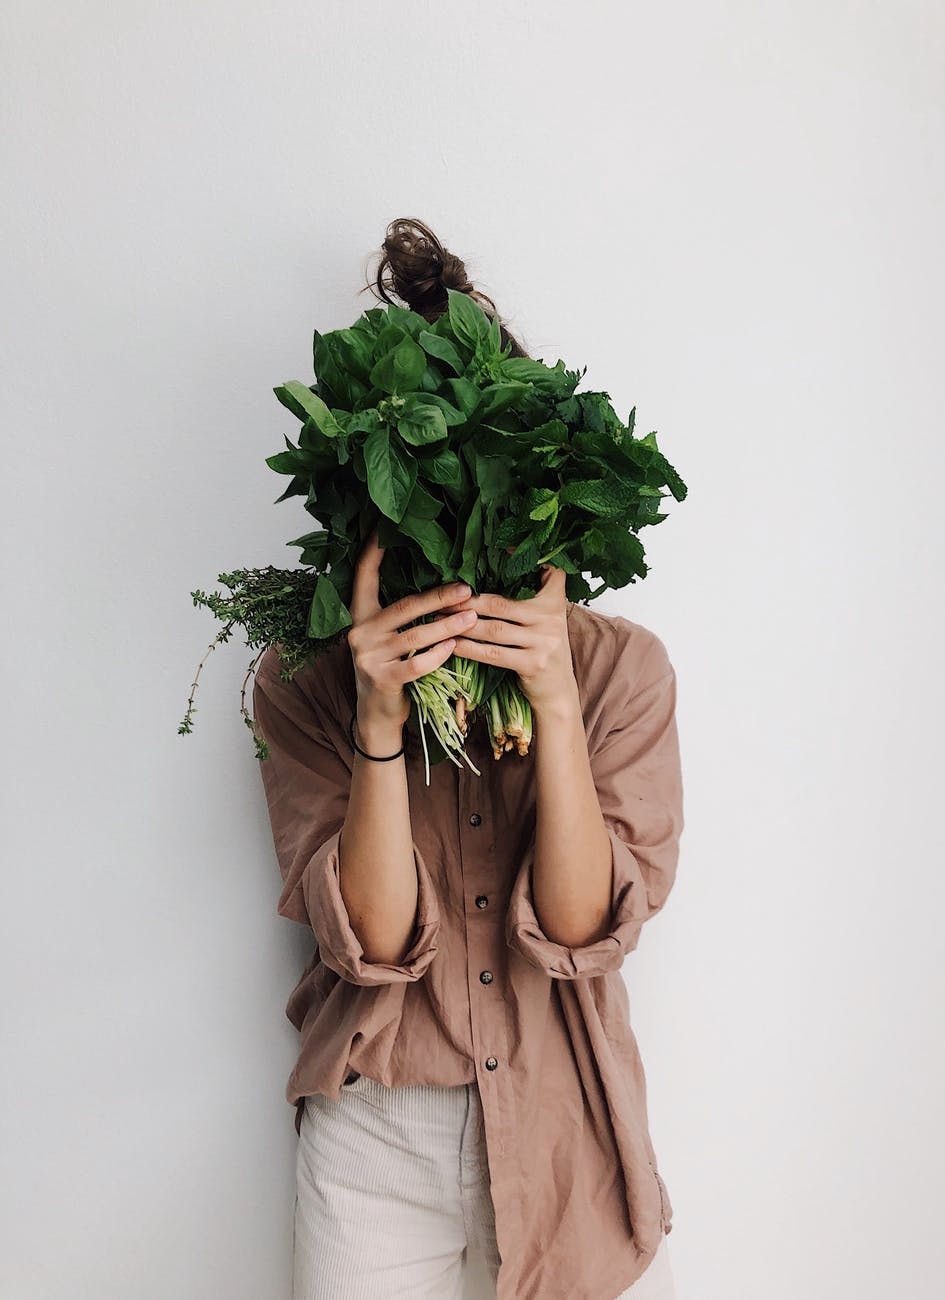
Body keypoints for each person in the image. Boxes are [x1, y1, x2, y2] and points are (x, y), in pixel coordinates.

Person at [252, 219, 685, 1299]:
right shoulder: (302, 678)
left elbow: (585, 932)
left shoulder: (619, 670)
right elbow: (377, 942)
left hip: (564, 1122)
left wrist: (551, 696)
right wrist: (382, 716)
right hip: (376, 1141)